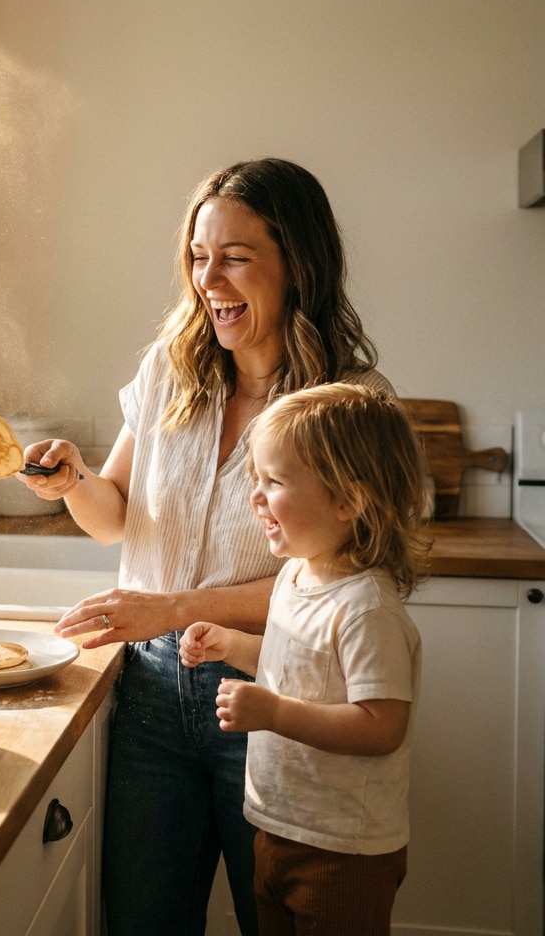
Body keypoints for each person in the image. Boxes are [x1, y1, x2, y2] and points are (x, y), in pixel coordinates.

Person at [19, 158, 394, 936]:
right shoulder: (170, 369)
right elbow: (116, 514)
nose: (209, 280)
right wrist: (74, 480)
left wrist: (174, 606)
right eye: (197, 257)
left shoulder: (346, 405)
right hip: (151, 694)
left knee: (281, 922)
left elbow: (330, 583)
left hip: (274, 693)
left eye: (235, 257)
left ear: (298, 263)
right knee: (144, 923)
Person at [179, 383, 429, 936]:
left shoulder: (367, 610)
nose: (255, 497)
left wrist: (272, 713)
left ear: (348, 501)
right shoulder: (296, 575)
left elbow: (381, 725)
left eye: (275, 482)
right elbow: (293, 666)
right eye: (256, 479)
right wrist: (231, 645)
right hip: (278, 829)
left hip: (344, 851)